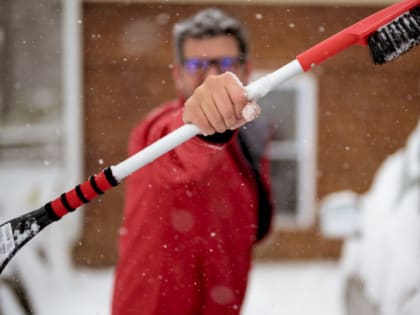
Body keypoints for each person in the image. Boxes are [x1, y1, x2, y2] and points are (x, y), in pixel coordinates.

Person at [112, 8, 273, 315]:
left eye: (226, 64)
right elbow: (175, 153)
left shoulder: (247, 145)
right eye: (197, 64)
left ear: (247, 70)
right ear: (178, 73)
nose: (211, 76)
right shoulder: (156, 132)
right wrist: (202, 130)